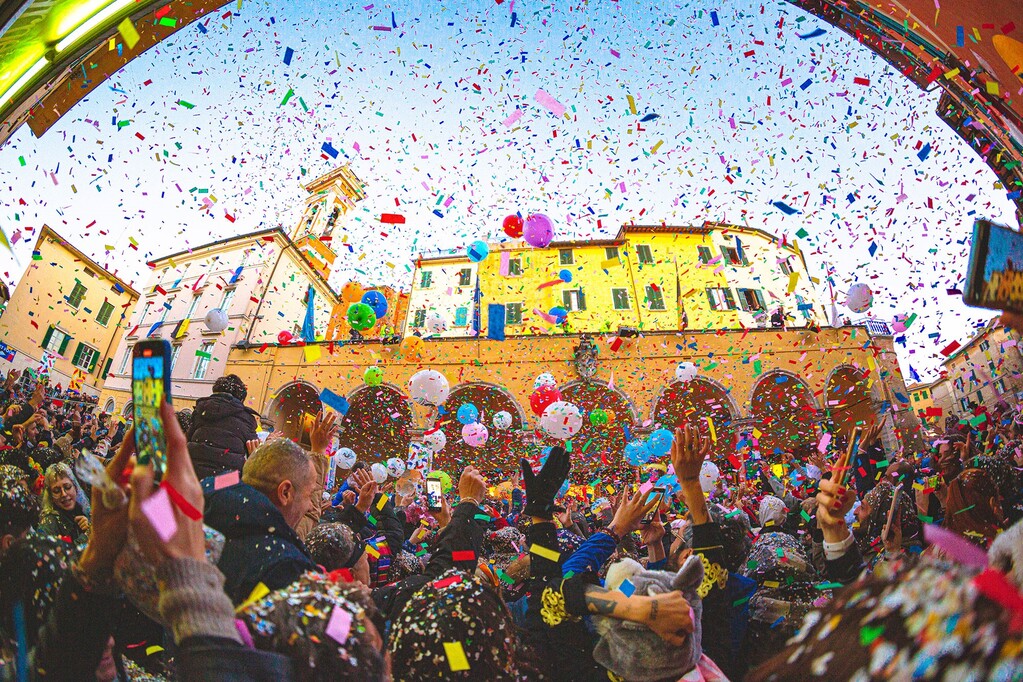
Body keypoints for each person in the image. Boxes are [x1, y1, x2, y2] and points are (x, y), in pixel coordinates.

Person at [202, 410, 336, 604]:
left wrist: (259, 463)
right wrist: (318, 451)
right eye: (308, 495)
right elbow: (309, 517)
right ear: (285, 493)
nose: (309, 504)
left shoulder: (206, 501)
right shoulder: (286, 567)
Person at [187, 374, 261, 480]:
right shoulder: (246, 419)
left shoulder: (200, 411)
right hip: (224, 481)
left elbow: (187, 439)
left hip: (192, 474)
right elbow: (253, 451)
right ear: (241, 399)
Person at [37, 461, 90, 544]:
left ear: (75, 488)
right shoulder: (48, 524)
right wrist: (86, 537)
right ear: (50, 496)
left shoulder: (85, 510)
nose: (64, 494)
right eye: (57, 491)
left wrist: (89, 527)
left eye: (67, 487)